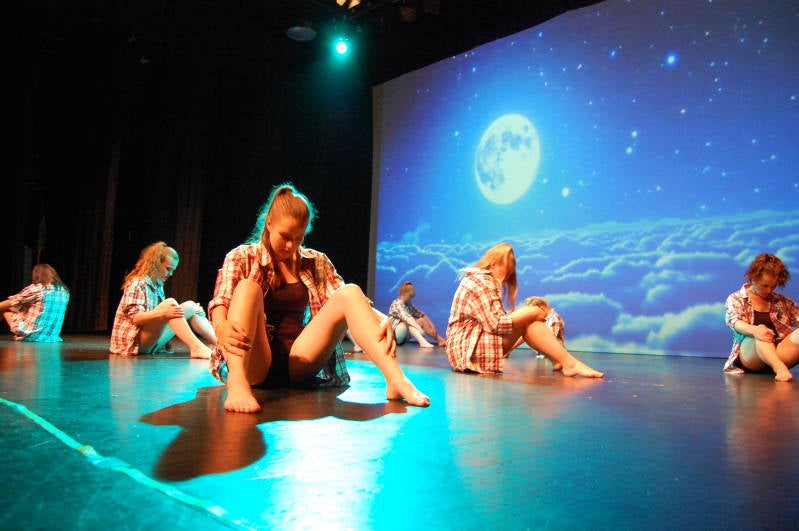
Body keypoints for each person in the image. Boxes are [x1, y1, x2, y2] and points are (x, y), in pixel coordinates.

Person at [208, 183, 429, 413]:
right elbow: (221, 300)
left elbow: (351, 302)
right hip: (255, 361)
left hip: (299, 359)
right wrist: (221, 325)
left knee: (351, 291)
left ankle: (396, 380)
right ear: (269, 223)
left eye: (298, 238)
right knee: (247, 288)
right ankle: (238, 383)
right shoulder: (242, 256)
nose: (291, 245)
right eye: (285, 236)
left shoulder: (316, 262)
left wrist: (384, 320)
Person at [446, 242, 603, 377]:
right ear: (493, 264)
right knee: (530, 320)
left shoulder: (478, 279)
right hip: (467, 353)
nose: (506, 280)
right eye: (506, 273)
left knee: (530, 321)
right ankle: (568, 363)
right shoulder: (483, 281)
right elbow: (496, 324)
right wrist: (533, 312)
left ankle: (565, 362)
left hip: (464, 351)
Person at [110, 241, 216, 358]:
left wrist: (194, 310)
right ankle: (197, 348)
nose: (171, 274)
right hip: (133, 343)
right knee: (170, 303)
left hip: (150, 341)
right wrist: (163, 313)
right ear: (155, 264)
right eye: (168, 269)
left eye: (173, 270)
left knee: (191, 306)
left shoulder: (158, 285)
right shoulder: (137, 283)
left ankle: (221, 345)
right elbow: (135, 318)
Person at [724, 253, 799, 381]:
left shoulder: (781, 301)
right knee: (762, 330)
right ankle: (779, 368)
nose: (769, 290)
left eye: (773, 286)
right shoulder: (736, 298)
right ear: (753, 278)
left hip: (778, 354)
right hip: (751, 358)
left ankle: (777, 365)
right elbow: (735, 322)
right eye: (765, 286)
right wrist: (755, 330)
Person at [0, 263, 70, 342]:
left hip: (31, 334)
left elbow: (10, 302)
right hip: (51, 337)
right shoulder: (64, 291)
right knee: (14, 308)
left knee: (5, 308)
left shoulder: (37, 289)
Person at [509, 296, 564, 371]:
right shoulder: (547, 318)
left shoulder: (553, 318)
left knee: (528, 329)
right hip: (550, 349)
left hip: (555, 351)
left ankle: (559, 361)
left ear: (541, 308)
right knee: (527, 329)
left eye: (533, 312)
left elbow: (552, 338)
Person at [387, 281, 446, 348]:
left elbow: (421, 315)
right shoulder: (397, 303)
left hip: (402, 336)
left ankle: (440, 340)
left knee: (421, 321)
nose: (411, 298)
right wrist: (419, 329)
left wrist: (432, 326)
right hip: (394, 335)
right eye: (410, 296)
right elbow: (407, 318)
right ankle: (422, 342)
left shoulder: (408, 304)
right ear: (405, 293)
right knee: (408, 322)